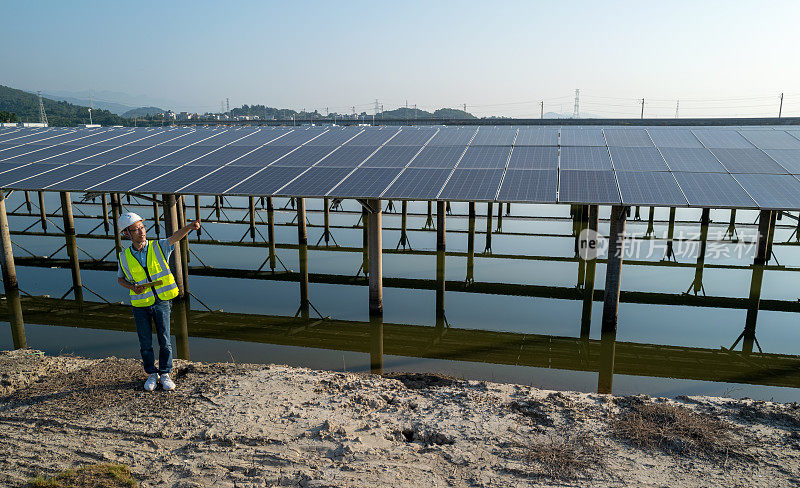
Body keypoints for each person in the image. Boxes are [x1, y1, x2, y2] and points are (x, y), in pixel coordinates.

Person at [116, 210, 201, 391]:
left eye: (142, 227)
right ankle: (151, 374)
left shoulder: (158, 246)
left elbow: (175, 237)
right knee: (145, 343)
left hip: (161, 302)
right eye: (136, 229)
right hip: (140, 304)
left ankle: (164, 373)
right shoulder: (124, 256)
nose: (142, 231)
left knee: (165, 340)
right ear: (126, 234)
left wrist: (189, 227)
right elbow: (120, 279)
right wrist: (132, 287)